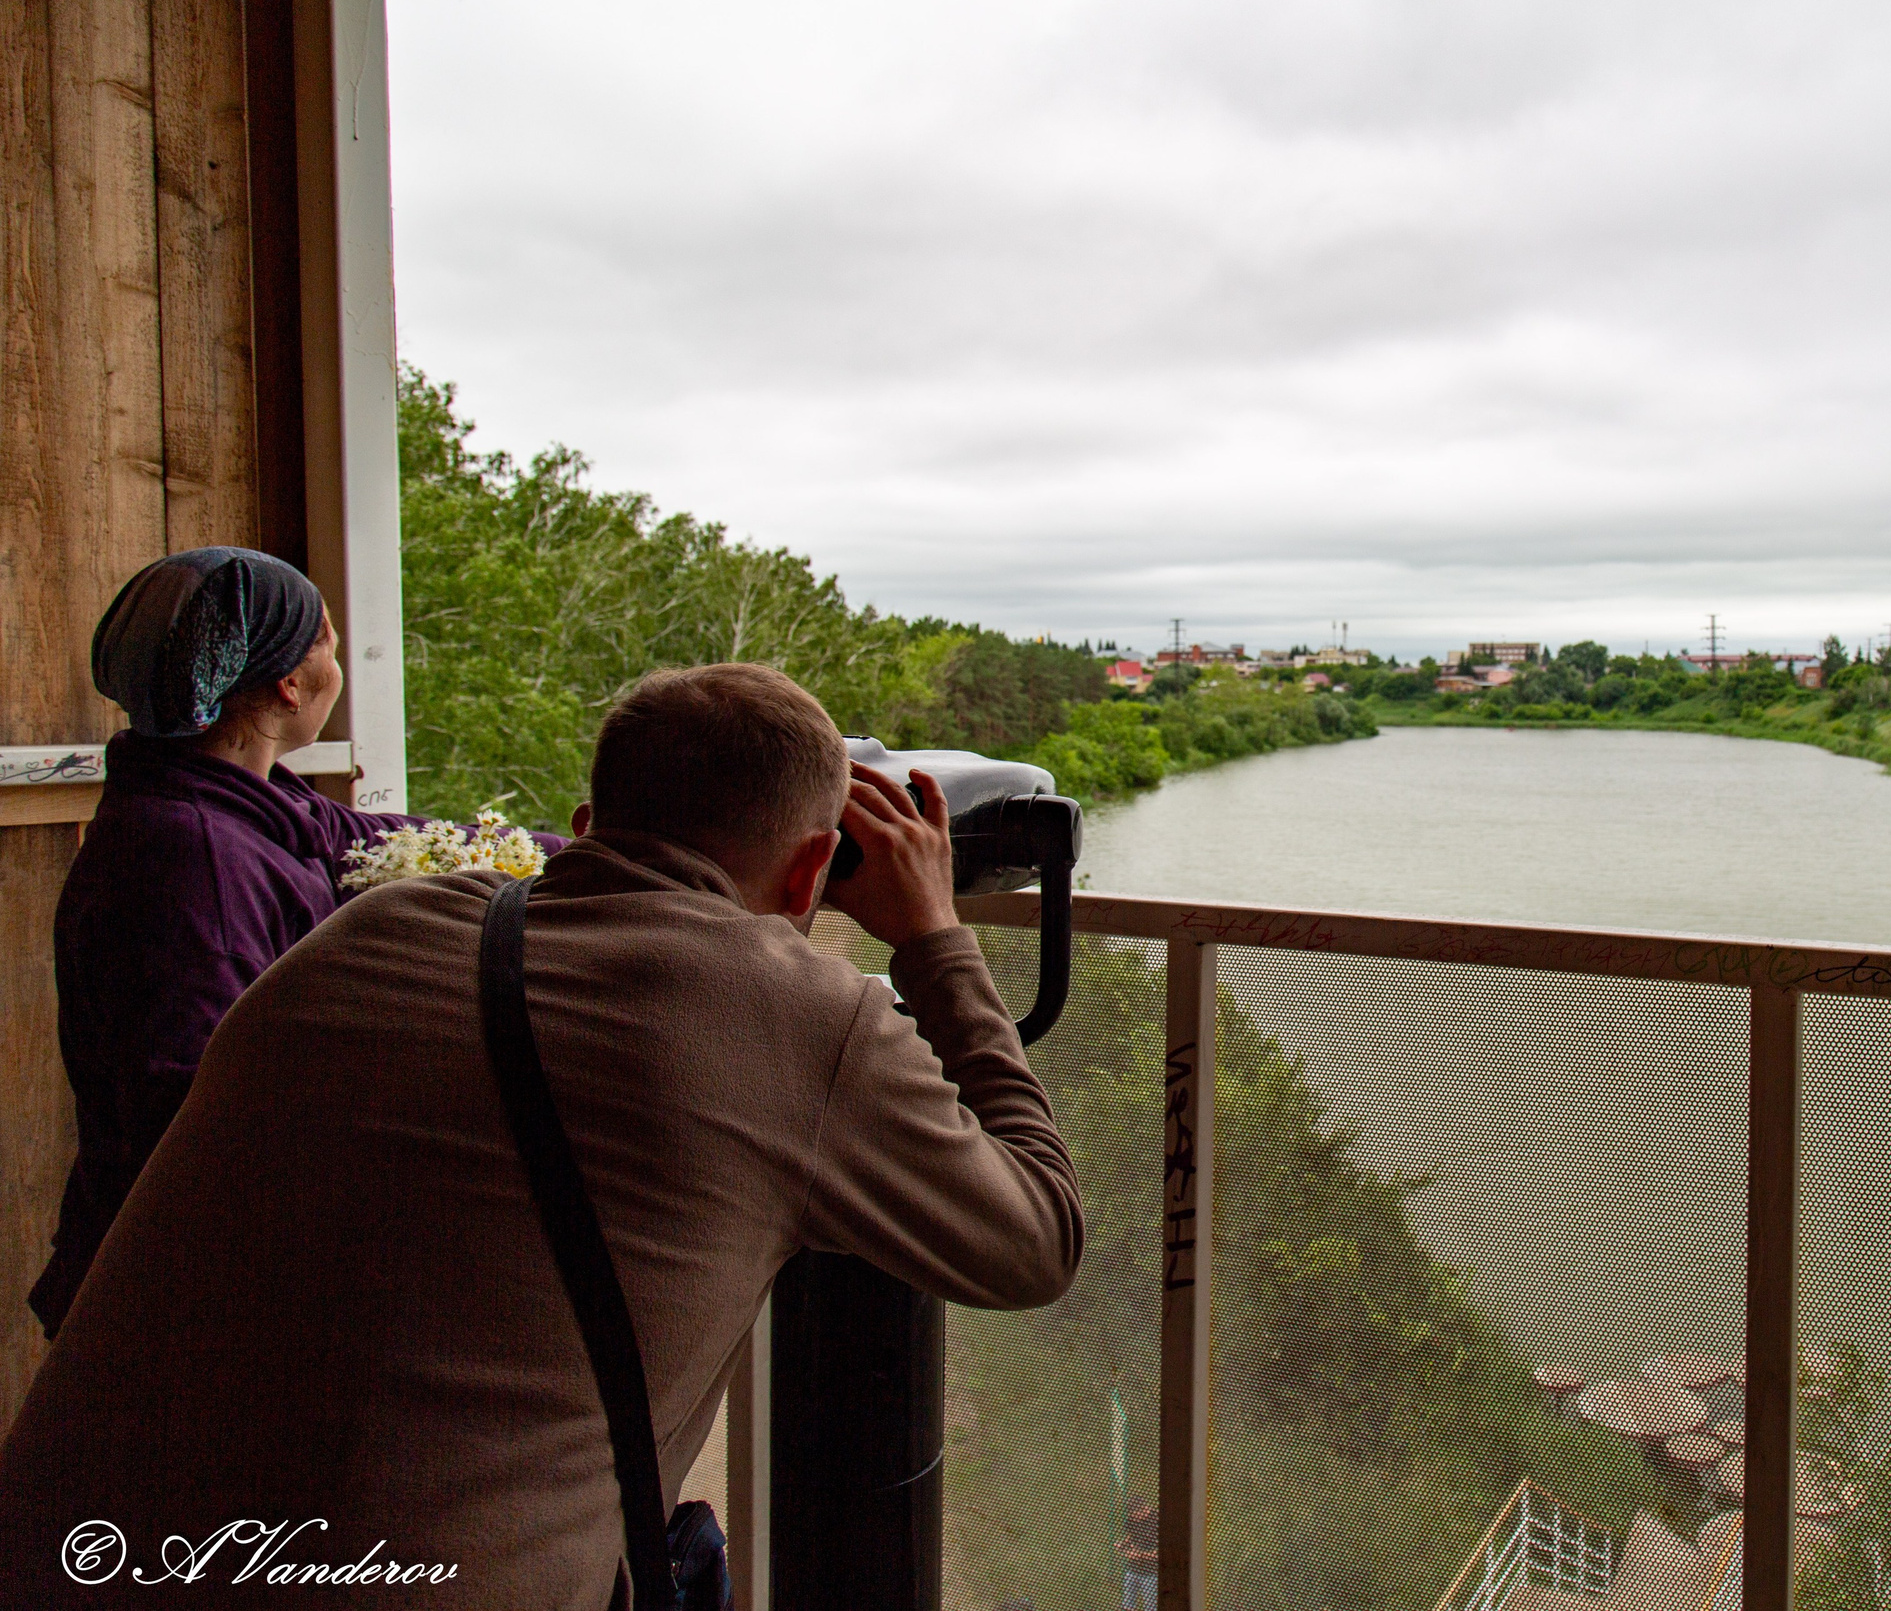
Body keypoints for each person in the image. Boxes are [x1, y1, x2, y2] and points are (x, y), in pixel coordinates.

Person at [0, 662, 1083, 1606]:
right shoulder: (802, 1014)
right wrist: (933, 936)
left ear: (586, 821)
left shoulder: (380, 926)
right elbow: (1036, 1241)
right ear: (811, 871)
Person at [29, 547, 543, 1337]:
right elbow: (195, 1109)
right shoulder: (193, 858)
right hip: (178, 1298)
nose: (339, 666)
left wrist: (591, 852)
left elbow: (383, 838)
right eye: (328, 644)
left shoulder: (243, 802)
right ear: (290, 686)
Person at [1118, 1499, 1160, 1611]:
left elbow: (1159, 1553)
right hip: (1133, 1569)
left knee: (1150, 1606)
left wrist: (1138, 1555)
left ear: (1144, 1510)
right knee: (1128, 1603)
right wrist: (1123, 1543)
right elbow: (1131, 1535)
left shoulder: (1156, 1522)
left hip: (1151, 1573)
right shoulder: (1131, 1521)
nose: (1134, 1519)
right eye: (1132, 1517)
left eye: (1135, 1516)